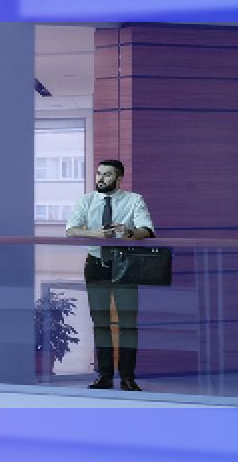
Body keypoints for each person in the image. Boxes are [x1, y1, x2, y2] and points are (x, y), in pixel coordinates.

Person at [64, 159, 156, 391]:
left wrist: (130, 233)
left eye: (107, 175)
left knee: (128, 324)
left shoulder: (134, 200)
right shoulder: (86, 200)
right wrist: (96, 234)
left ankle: (127, 377)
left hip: (124, 266)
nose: (101, 178)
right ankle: (104, 376)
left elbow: (147, 230)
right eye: (99, 174)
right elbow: (71, 229)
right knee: (100, 322)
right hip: (96, 265)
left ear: (119, 178)